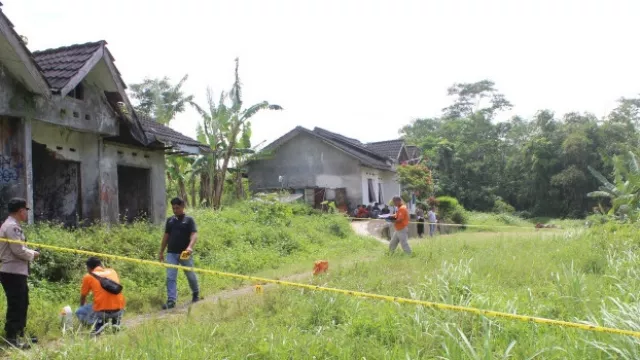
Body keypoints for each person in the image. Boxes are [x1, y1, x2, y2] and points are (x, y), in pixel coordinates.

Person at [0, 198, 39, 349]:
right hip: (12, 272)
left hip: (17, 272)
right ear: (20, 211)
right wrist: (34, 254)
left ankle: (18, 335)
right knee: (16, 304)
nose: (27, 213)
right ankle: (11, 339)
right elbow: (18, 250)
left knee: (22, 303)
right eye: (25, 210)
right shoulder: (11, 227)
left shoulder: (13, 226)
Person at [159, 197, 200, 309]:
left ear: (183, 207)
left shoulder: (189, 220)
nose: (175, 210)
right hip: (171, 253)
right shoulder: (170, 221)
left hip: (185, 253)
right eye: (173, 208)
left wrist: (190, 247)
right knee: (170, 277)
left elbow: (194, 234)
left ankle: (196, 293)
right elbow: (166, 236)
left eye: (177, 208)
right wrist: (161, 251)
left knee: (190, 275)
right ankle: (171, 300)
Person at [75, 257, 125, 335]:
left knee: (79, 311)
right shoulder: (112, 271)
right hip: (119, 310)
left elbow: (83, 296)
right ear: (101, 264)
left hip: (102, 313)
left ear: (88, 268)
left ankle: (98, 324)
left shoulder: (88, 276)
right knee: (108, 304)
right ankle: (115, 323)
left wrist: (82, 306)